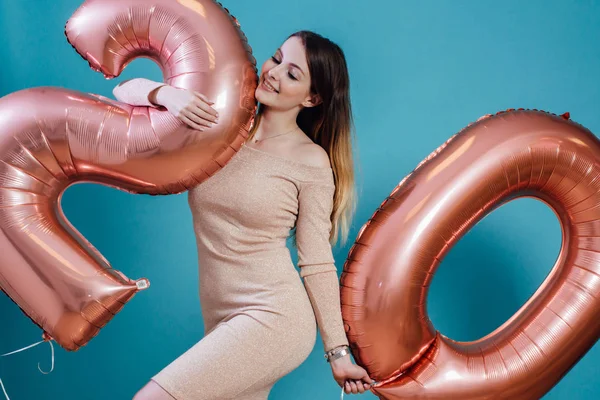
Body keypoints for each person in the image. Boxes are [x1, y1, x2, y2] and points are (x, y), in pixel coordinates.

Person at [113, 30, 374, 399]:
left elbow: (316, 261)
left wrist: (338, 353)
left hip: (274, 317)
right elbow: (123, 90)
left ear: (313, 98)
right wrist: (168, 95)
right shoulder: (224, 123)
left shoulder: (310, 162)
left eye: (293, 74)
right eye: (277, 58)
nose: (274, 72)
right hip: (220, 317)